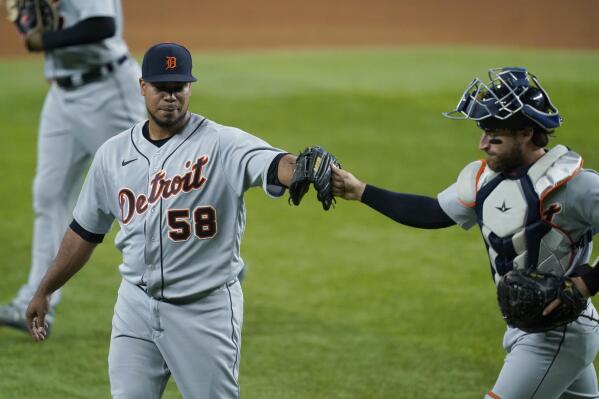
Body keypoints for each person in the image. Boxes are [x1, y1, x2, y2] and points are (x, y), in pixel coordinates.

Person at [25, 42, 331, 399]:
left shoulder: (222, 143)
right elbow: (84, 232)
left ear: (190, 88)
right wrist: (45, 288)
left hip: (205, 310)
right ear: (142, 87)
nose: (170, 97)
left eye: (178, 88)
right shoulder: (113, 154)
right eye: (161, 88)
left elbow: (272, 161)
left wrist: (296, 170)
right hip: (135, 307)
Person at [331, 67, 599, 399]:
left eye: (493, 133)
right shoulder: (484, 181)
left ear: (526, 132)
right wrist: (361, 191)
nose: (482, 143)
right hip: (533, 329)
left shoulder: (576, 185)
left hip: (557, 333)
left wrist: (586, 282)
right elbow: (431, 213)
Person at [0, 0, 146, 335]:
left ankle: (199, 260)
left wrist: (43, 41)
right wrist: (28, 25)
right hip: (62, 97)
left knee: (142, 194)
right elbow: (29, 18)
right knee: (49, 195)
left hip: (108, 93)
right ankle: (36, 304)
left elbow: (102, 26)